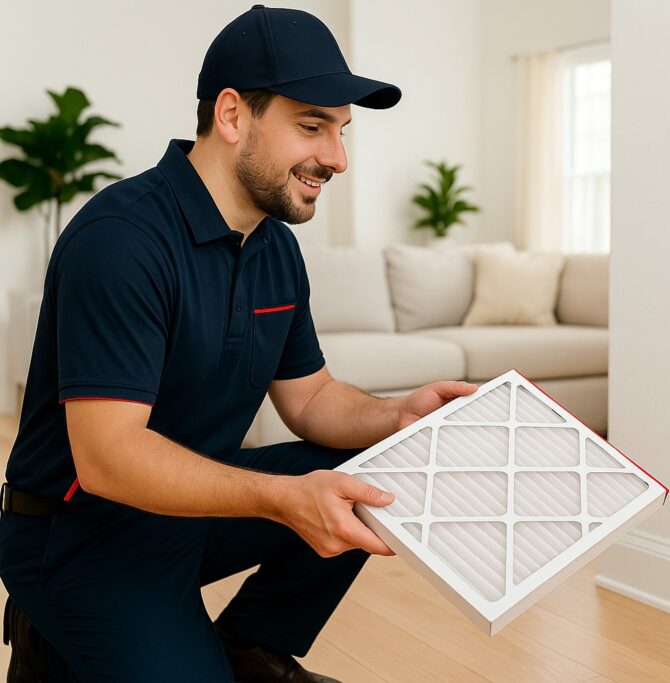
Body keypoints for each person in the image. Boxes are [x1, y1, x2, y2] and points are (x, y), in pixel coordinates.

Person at [0, 5, 477, 681]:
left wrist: (397, 415)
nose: (336, 158)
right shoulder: (122, 241)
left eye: (341, 130)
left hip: (189, 511)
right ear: (231, 116)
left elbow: (310, 397)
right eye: (312, 126)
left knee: (375, 463)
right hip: (82, 535)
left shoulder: (275, 247)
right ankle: (53, 633)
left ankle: (251, 648)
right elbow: (108, 457)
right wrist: (282, 497)